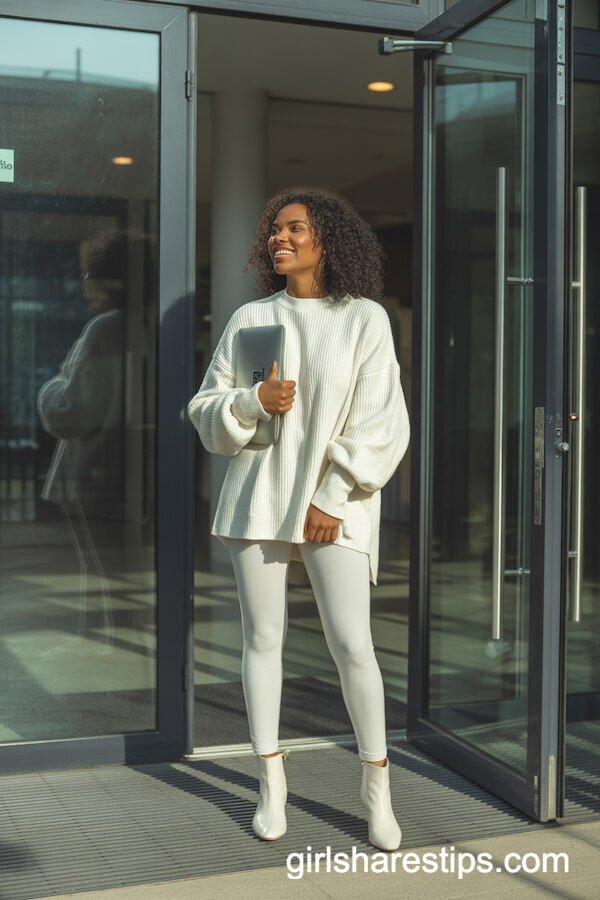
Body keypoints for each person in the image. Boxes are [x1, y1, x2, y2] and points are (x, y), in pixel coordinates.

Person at [188, 186, 410, 851]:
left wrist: (330, 499)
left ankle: (377, 791)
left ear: (327, 240)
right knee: (262, 640)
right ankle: (271, 785)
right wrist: (253, 399)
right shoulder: (252, 320)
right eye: (274, 232)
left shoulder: (366, 318)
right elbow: (206, 411)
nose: (278, 240)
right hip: (259, 497)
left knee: (352, 646)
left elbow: (385, 421)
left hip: (331, 507)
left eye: (293, 229)